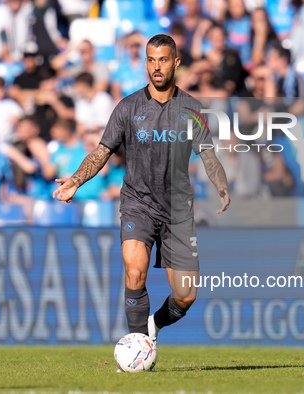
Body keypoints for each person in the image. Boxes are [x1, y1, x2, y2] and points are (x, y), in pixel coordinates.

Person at [53, 34, 230, 357]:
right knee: (135, 270)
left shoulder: (192, 109)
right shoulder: (128, 107)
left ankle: (153, 326)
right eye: (151, 60)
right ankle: (138, 345)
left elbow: (207, 154)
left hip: (178, 209)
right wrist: (76, 181)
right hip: (138, 203)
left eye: (163, 60)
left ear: (176, 63)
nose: (156, 67)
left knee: (186, 295)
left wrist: (220, 183)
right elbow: (102, 150)